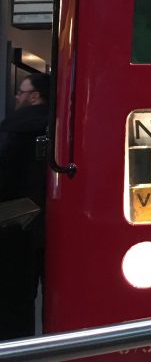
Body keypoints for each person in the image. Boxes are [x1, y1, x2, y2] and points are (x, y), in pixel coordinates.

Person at [0, 72, 49, 339]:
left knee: (16, 297)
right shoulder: (63, 124)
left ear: (34, 96)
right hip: (56, 227)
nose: (17, 96)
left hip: (18, 225)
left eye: (21, 91)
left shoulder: (15, 127)